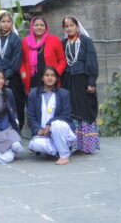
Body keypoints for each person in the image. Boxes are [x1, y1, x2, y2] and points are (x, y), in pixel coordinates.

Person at [60, 15, 100, 154]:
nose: (69, 28)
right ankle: (73, 144)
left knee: (85, 109)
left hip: (83, 81)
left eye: (71, 25)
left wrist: (91, 82)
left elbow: (92, 62)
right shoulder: (63, 43)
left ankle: (87, 145)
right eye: (66, 26)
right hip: (68, 82)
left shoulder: (86, 41)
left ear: (77, 26)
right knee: (71, 110)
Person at [27, 65, 77, 165]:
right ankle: (57, 149)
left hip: (61, 131)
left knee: (57, 125)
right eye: (47, 75)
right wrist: (39, 130)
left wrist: (50, 123)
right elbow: (31, 117)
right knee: (34, 144)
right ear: (42, 77)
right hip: (44, 134)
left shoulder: (63, 93)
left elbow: (66, 115)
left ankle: (64, 155)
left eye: (53, 75)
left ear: (56, 78)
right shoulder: (34, 94)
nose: (50, 78)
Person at [0, 10, 24, 129]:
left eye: (8, 21)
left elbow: (16, 60)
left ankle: (16, 129)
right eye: (3, 21)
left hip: (11, 78)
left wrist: (5, 77)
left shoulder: (15, 39)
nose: (6, 24)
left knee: (14, 104)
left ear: (12, 23)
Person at [20, 16, 66, 95]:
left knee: (50, 105)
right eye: (36, 25)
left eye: (42, 25)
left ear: (46, 27)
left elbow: (62, 60)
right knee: (34, 105)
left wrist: (56, 74)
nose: (39, 27)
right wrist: (23, 73)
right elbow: (22, 61)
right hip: (32, 80)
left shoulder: (54, 40)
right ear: (32, 27)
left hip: (50, 80)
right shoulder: (25, 42)